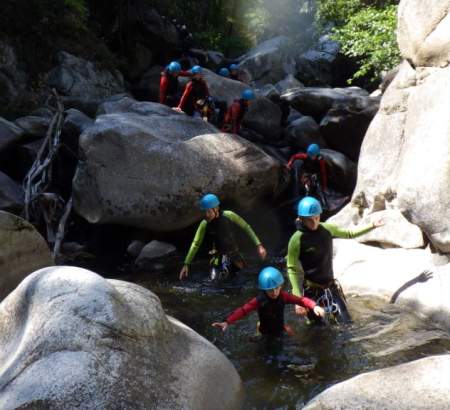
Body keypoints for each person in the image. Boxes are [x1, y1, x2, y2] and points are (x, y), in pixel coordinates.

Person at [286, 196, 384, 323]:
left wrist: (372, 225)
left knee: (347, 322)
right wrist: (298, 299)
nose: (314, 223)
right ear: (301, 219)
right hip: (312, 290)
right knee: (317, 328)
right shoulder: (296, 239)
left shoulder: (327, 229)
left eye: (317, 218)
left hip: (330, 286)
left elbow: (349, 233)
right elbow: (292, 269)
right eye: (310, 220)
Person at [212, 267, 325, 337]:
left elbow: (301, 300)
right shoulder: (259, 300)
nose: (274, 292)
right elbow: (243, 310)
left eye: (277, 288)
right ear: (264, 289)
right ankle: (258, 329)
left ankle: (284, 327)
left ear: (281, 286)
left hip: (279, 328)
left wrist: (314, 306)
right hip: (264, 332)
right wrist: (227, 321)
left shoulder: (283, 296)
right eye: (270, 290)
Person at [179, 193, 267, 281]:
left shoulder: (229, 215)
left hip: (234, 256)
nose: (207, 214)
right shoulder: (204, 224)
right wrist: (186, 264)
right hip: (218, 258)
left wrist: (259, 245)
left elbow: (246, 227)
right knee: (214, 281)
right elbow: (196, 244)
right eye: (205, 211)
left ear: (216, 208)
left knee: (244, 278)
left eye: (209, 211)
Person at [286, 143, 328, 209]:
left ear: (316, 154)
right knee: (307, 189)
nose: (311, 157)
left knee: (319, 190)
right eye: (310, 155)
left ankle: (324, 206)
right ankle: (304, 205)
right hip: (306, 174)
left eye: (312, 155)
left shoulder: (320, 160)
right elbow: (294, 156)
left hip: (315, 175)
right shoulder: (305, 156)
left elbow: (323, 173)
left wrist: (324, 186)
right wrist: (289, 164)